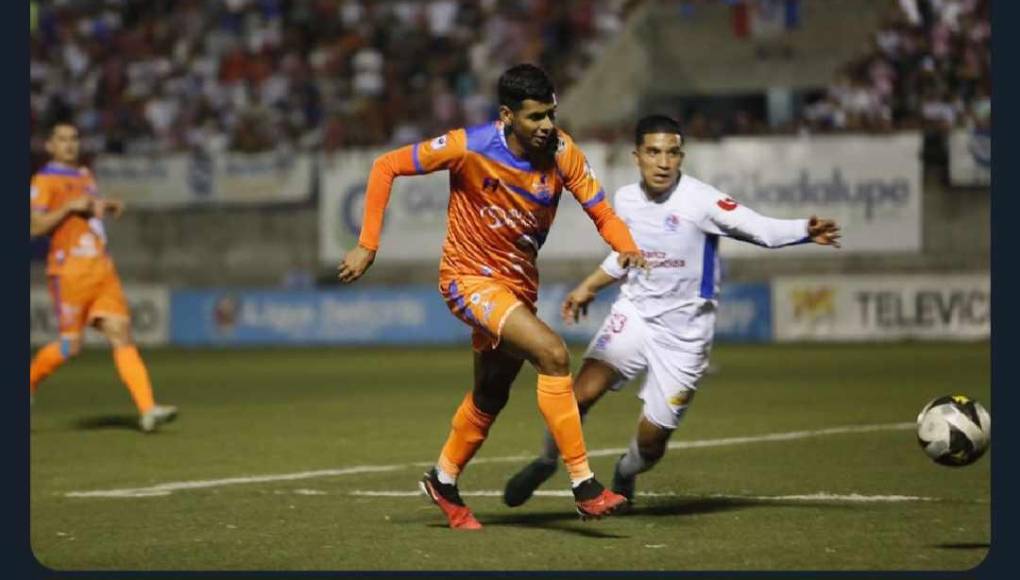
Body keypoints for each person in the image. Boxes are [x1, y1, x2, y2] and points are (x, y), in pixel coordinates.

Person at [338, 64, 648, 529]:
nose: (547, 125)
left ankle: (443, 479)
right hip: (468, 279)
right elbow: (386, 166)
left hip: (517, 286)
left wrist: (627, 246)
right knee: (552, 353)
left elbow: (602, 212)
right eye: (536, 116)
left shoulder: (562, 151)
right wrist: (368, 243)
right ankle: (584, 485)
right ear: (507, 116)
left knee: (491, 393)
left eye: (551, 114)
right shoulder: (469, 146)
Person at [503, 114, 841, 507]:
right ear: (637, 156)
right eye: (653, 152)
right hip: (635, 315)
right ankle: (547, 461)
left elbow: (760, 229)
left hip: (685, 337)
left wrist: (803, 230)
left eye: (672, 153)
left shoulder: (702, 201)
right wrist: (588, 287)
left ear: (681, 156)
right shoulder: (626, 199)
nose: (663, 162)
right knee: (577, 397)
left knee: (652, 442)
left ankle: (626, 471)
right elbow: (626, 253)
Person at [30, 121, 178, 433]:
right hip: (70, 271)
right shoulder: (44, 180)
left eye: (74, 138)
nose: (70, 144)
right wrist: (68, 207)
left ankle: (148, 409)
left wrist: (104, 205)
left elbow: (87, 214)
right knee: (70, 346)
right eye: (62, 139)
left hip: (101, 268)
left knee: (121, 333)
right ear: (50, 146)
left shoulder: (84, 175)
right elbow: (35, 227)